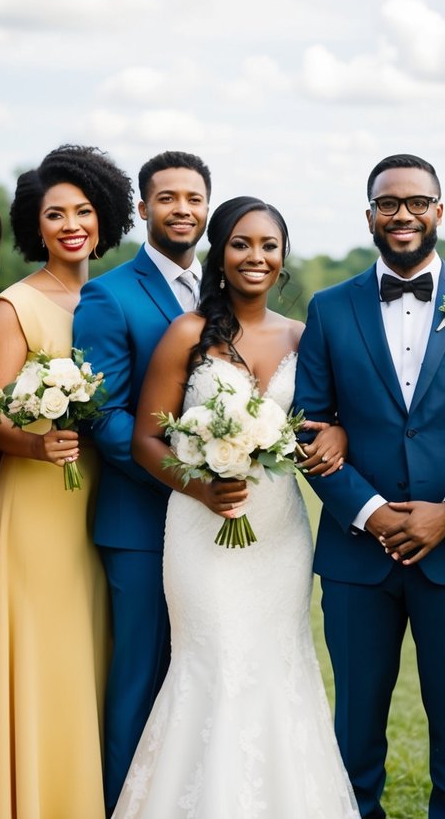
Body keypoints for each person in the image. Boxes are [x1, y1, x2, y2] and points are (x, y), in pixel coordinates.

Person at [294, 154, 445, 819]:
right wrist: (371, 513)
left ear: (439, 210)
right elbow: (308, 427)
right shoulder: (328, 307)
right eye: (387, 203)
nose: (402, 215)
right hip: (355, 558)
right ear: (368, 213)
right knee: (355, 730)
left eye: (415, 202)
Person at [115, 196, 356, 818]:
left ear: (283, 258)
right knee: (215, 662)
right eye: (241, 244)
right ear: (219, 254)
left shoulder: (305, 337)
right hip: (201, 528)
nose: (256, 256)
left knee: (281, 664)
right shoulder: (189, 334)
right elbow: (145, 438)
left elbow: (334, 421)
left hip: (279, 535)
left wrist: (338, 435)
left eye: (269, 245)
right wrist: (200, 485)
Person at [0, 145, 134, 819]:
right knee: (47, 649)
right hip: (40, 499)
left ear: (103, 217)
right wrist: (36, 445)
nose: (72, 223)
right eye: (54, 214)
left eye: (83, 210)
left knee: (97, 649)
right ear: (34, 227)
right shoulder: (15, 307)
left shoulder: (117, 294)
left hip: (109, 492)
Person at [72, 150, 213, 813]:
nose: (181, 209)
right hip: (140, 523)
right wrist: (187, 476)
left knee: (197, 676)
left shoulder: (221, 290)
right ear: (142, 209)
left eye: (192, 198)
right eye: (167, 198)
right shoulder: (108, 294)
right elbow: (103, 416)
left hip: (215, 526)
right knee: (140, 677)